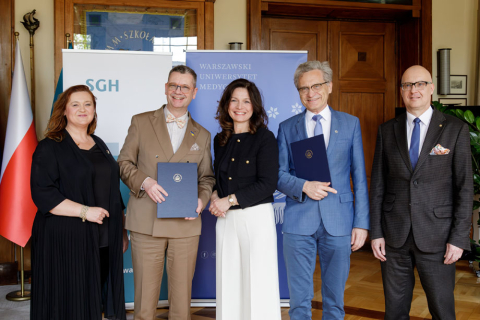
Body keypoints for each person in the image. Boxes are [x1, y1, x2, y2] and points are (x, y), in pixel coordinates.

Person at [369, 65, 472, 319]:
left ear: (431, 88)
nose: (413, 90)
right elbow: (378, 185)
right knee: (394, 311)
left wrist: (459, 238)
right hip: (394, 237)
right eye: (407, 85)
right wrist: (376, 232)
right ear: (401, 91)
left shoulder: (454, 129)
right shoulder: (387, 130)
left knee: (442, 310)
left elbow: (464, 186)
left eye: (420, 84)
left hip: (438, 236)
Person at [117, 65, 215, 320]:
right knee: (144, 304)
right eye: (174, 85)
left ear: (194, 92)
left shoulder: (203, 134)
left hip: (185, 224)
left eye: (185, 87)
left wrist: (201, 200)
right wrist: (145, 182)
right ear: (165, 88)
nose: (178, 91)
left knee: (182, 305)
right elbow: (123, 163)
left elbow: (206, 178)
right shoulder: (140, 121)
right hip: (146, 221)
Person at [277, 61, 369, 319]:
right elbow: (278, 174)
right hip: (298, 221)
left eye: (316, 85)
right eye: (303, 88)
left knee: (334, 301)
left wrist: (361, 224)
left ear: (329, 86)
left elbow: (359, 178)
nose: (310, 93)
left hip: (339, 221)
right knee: (299, 302)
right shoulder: (287, 127)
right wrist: (304, 186)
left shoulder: (350, 124)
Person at [30, 85, 128, 320]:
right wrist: (86, 211)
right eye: (75, 104)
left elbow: (112, 189)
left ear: (94, 110)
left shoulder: (99, 143)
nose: (82, 109)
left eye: (88, 104)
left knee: (94, 299)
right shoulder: (50, 147)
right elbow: (43, 194)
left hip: (103, 237)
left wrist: (121, 231)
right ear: (64, 110)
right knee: (70, 301)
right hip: (64, 240)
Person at [208, 79, 281, 320]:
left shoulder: (265, 138)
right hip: (226, 219)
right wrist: (214, 195)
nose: (240, 106)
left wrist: (228, 200)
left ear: (255, 106)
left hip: (255, 218)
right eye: (234, 100)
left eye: (246, 101)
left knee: (257, 282)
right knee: (227, 280)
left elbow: (268, 183)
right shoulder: (220, 140)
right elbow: (217, 179)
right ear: (226, 105)